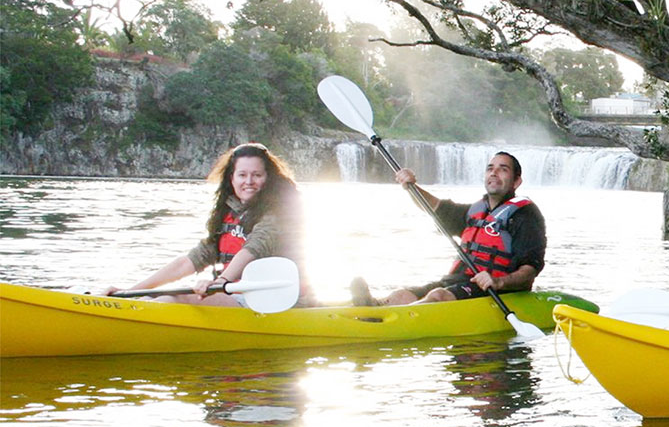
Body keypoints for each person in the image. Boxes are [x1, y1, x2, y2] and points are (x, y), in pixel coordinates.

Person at [106, 142, 310, 306]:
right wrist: (130, 292)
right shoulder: (228, 215)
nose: (249, 181)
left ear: (268, 179)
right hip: (237, 296)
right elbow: (188, 262)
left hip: (277, 302)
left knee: (176, 300)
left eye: (257, 175)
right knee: (157, 298)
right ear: (232, 179)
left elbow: (254, 248)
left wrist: (221, 282)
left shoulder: (278, 213)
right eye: (242, 175)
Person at [357, 151, 547, 305]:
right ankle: (372, 308)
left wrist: (498, 281)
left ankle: (390, 321)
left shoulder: (527, 216)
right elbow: (434, 207)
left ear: (516, 181)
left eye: (503, 169)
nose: (494, 173)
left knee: (438, 295)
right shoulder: (474, 212)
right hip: (457, 283)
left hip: (495, 291)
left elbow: (530, 269)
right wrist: (411, 186)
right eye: (490, 168)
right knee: (401, 295)